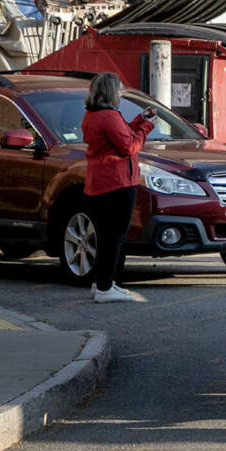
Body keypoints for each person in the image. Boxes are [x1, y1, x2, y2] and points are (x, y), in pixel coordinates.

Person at [81, 72, 152, 303]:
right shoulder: (109, 116)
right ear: (111, 91)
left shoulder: (93, 115)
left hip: (99, 184)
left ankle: (104, 283)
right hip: (116, 183)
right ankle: (104, 288)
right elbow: (129, 146)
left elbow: (120, 135)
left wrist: (140, 120)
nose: (121, 93)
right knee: (115, 238)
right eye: (119, 89)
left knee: (106, 237)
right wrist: (147, 127)